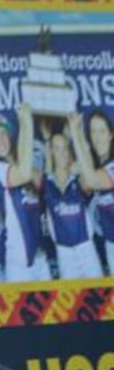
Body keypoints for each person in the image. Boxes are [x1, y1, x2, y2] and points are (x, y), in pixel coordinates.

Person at [0, 105, 52, 282]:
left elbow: (45, 185)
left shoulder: (25, 166)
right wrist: (26, 122)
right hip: (20, 265)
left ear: (10, 136)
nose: (0, 140)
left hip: (41, 258)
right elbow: (24, 174)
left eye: (3, 134)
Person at [44, 119, 103, 279]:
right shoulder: (47, 183)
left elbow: (88, 166)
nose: (62, 153)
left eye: (65, 148)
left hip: (87, 250)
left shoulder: (78, 178)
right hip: (64, 254)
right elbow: (48, 167)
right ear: (51, 152)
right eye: (57, 148)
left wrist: (76, 130)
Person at [69, 109, 114, 275]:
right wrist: (80, 136)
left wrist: (75, 133)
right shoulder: (97, 165)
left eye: (102, 131)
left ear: (111, 134)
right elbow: (75, 170)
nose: (98, 137)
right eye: (93, 131)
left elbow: (92, 180)